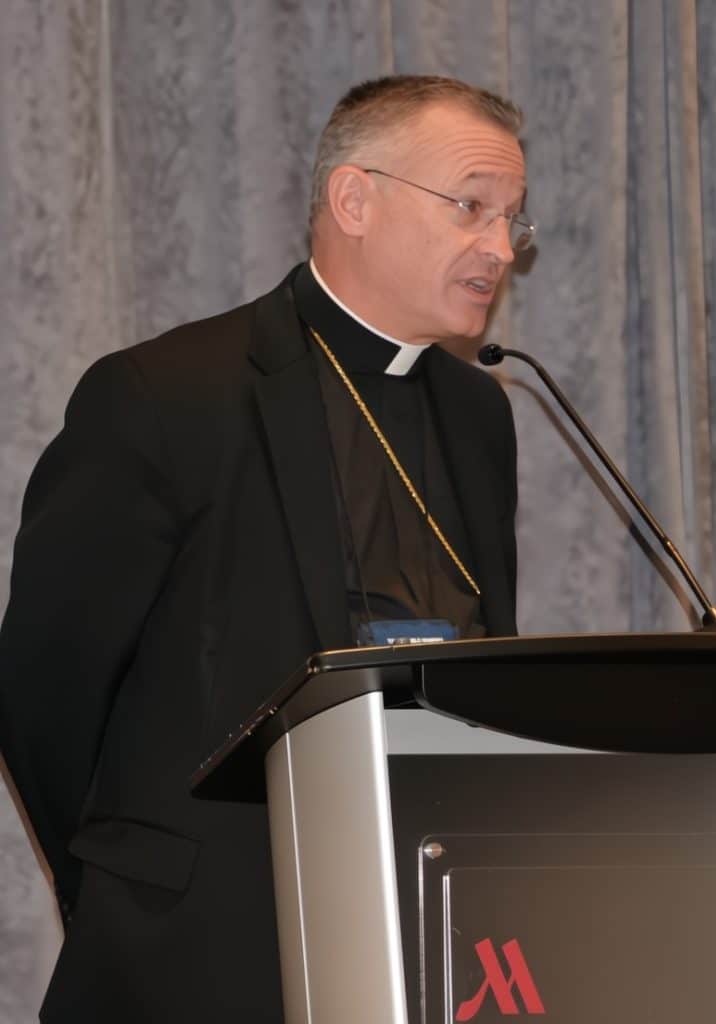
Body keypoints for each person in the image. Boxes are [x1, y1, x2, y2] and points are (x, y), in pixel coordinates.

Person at [0, 74, 531, 1021]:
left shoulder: (478, 412)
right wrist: (129, 876)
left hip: (416, 931)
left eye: (512, 219)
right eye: (470, 207)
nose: (499, 247)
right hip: (199, 949)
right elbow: (47, 686)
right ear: (353, 200)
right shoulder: (166, 397)